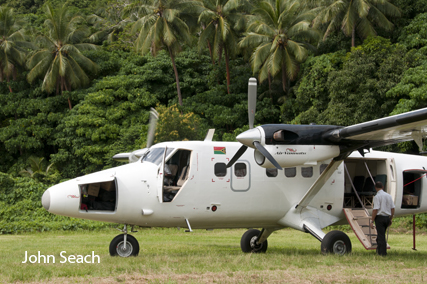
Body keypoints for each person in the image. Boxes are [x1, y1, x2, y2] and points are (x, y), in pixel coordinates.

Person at [370, 181, 395, 256]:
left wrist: (372, 220)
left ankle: (382, 253)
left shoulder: (377, 197)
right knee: (381, 234)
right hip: (387, 217)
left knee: (381, 236)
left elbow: (375, 210)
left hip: (380, 218)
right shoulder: (389, 196)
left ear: (375, 188)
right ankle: (379, 250)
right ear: (383, 187)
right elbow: (392, 208)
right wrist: (390, 218)